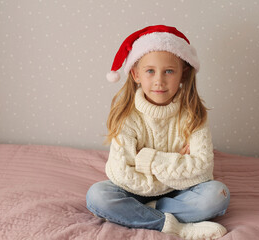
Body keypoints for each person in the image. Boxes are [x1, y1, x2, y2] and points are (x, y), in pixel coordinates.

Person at [86, 25, 230, 240]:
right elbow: (120, 172)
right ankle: (176, 226)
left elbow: (203, 168)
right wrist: (177, 162)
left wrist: (145, 158)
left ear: (183, 73)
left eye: (169, 71)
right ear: (136, 74)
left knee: (217, 195)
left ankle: (144, 211)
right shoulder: (126, 115)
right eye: (150, 71)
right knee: (97, 196)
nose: (159, 81)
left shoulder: (193, 114)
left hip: (181, 191)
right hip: (137, 189)